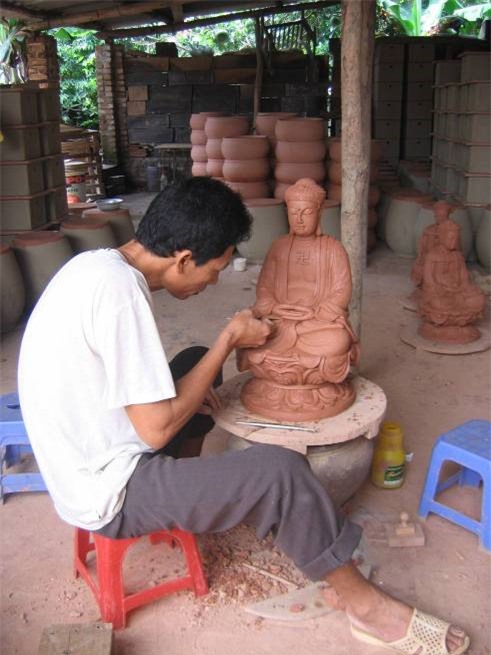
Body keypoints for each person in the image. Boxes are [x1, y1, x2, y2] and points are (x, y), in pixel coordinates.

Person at [18, 177, 469, 655]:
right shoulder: (121, 296)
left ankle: (192, 491)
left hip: (86, 448)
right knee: (280, 470)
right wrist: (229, 340)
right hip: (108, 489)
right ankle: (365, 606)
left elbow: (331, 303)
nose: (215, 279)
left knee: (195, 361)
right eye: (214, 268)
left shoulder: (100, 266)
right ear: (184, 258)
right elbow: (154, 428)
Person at [238, 178, 360, 421]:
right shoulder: (278, 247)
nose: (300, 218)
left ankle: (286, 377)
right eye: (294, 212)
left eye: (306, 212)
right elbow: (264, 289)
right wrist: (276, 307)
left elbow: (341, 292)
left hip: (315, 324)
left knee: (338, 340)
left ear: (320, 212)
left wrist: (315, 312)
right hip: (279, 321)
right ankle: (299, 376)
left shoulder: (333, 249)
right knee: (250, 337)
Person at [418, 217, 485, 343]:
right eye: (450, 238)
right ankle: (454, 321)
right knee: (439, 304)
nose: (453, 241)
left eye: (455, 238)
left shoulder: (457, 255)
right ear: (442, 237)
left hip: (457, 292)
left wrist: (464, 288)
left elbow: (464, 279)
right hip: (440, 293)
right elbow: (429, 281)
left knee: (479, 299)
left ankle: (457, 319)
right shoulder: (433, 255)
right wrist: (442, 288)